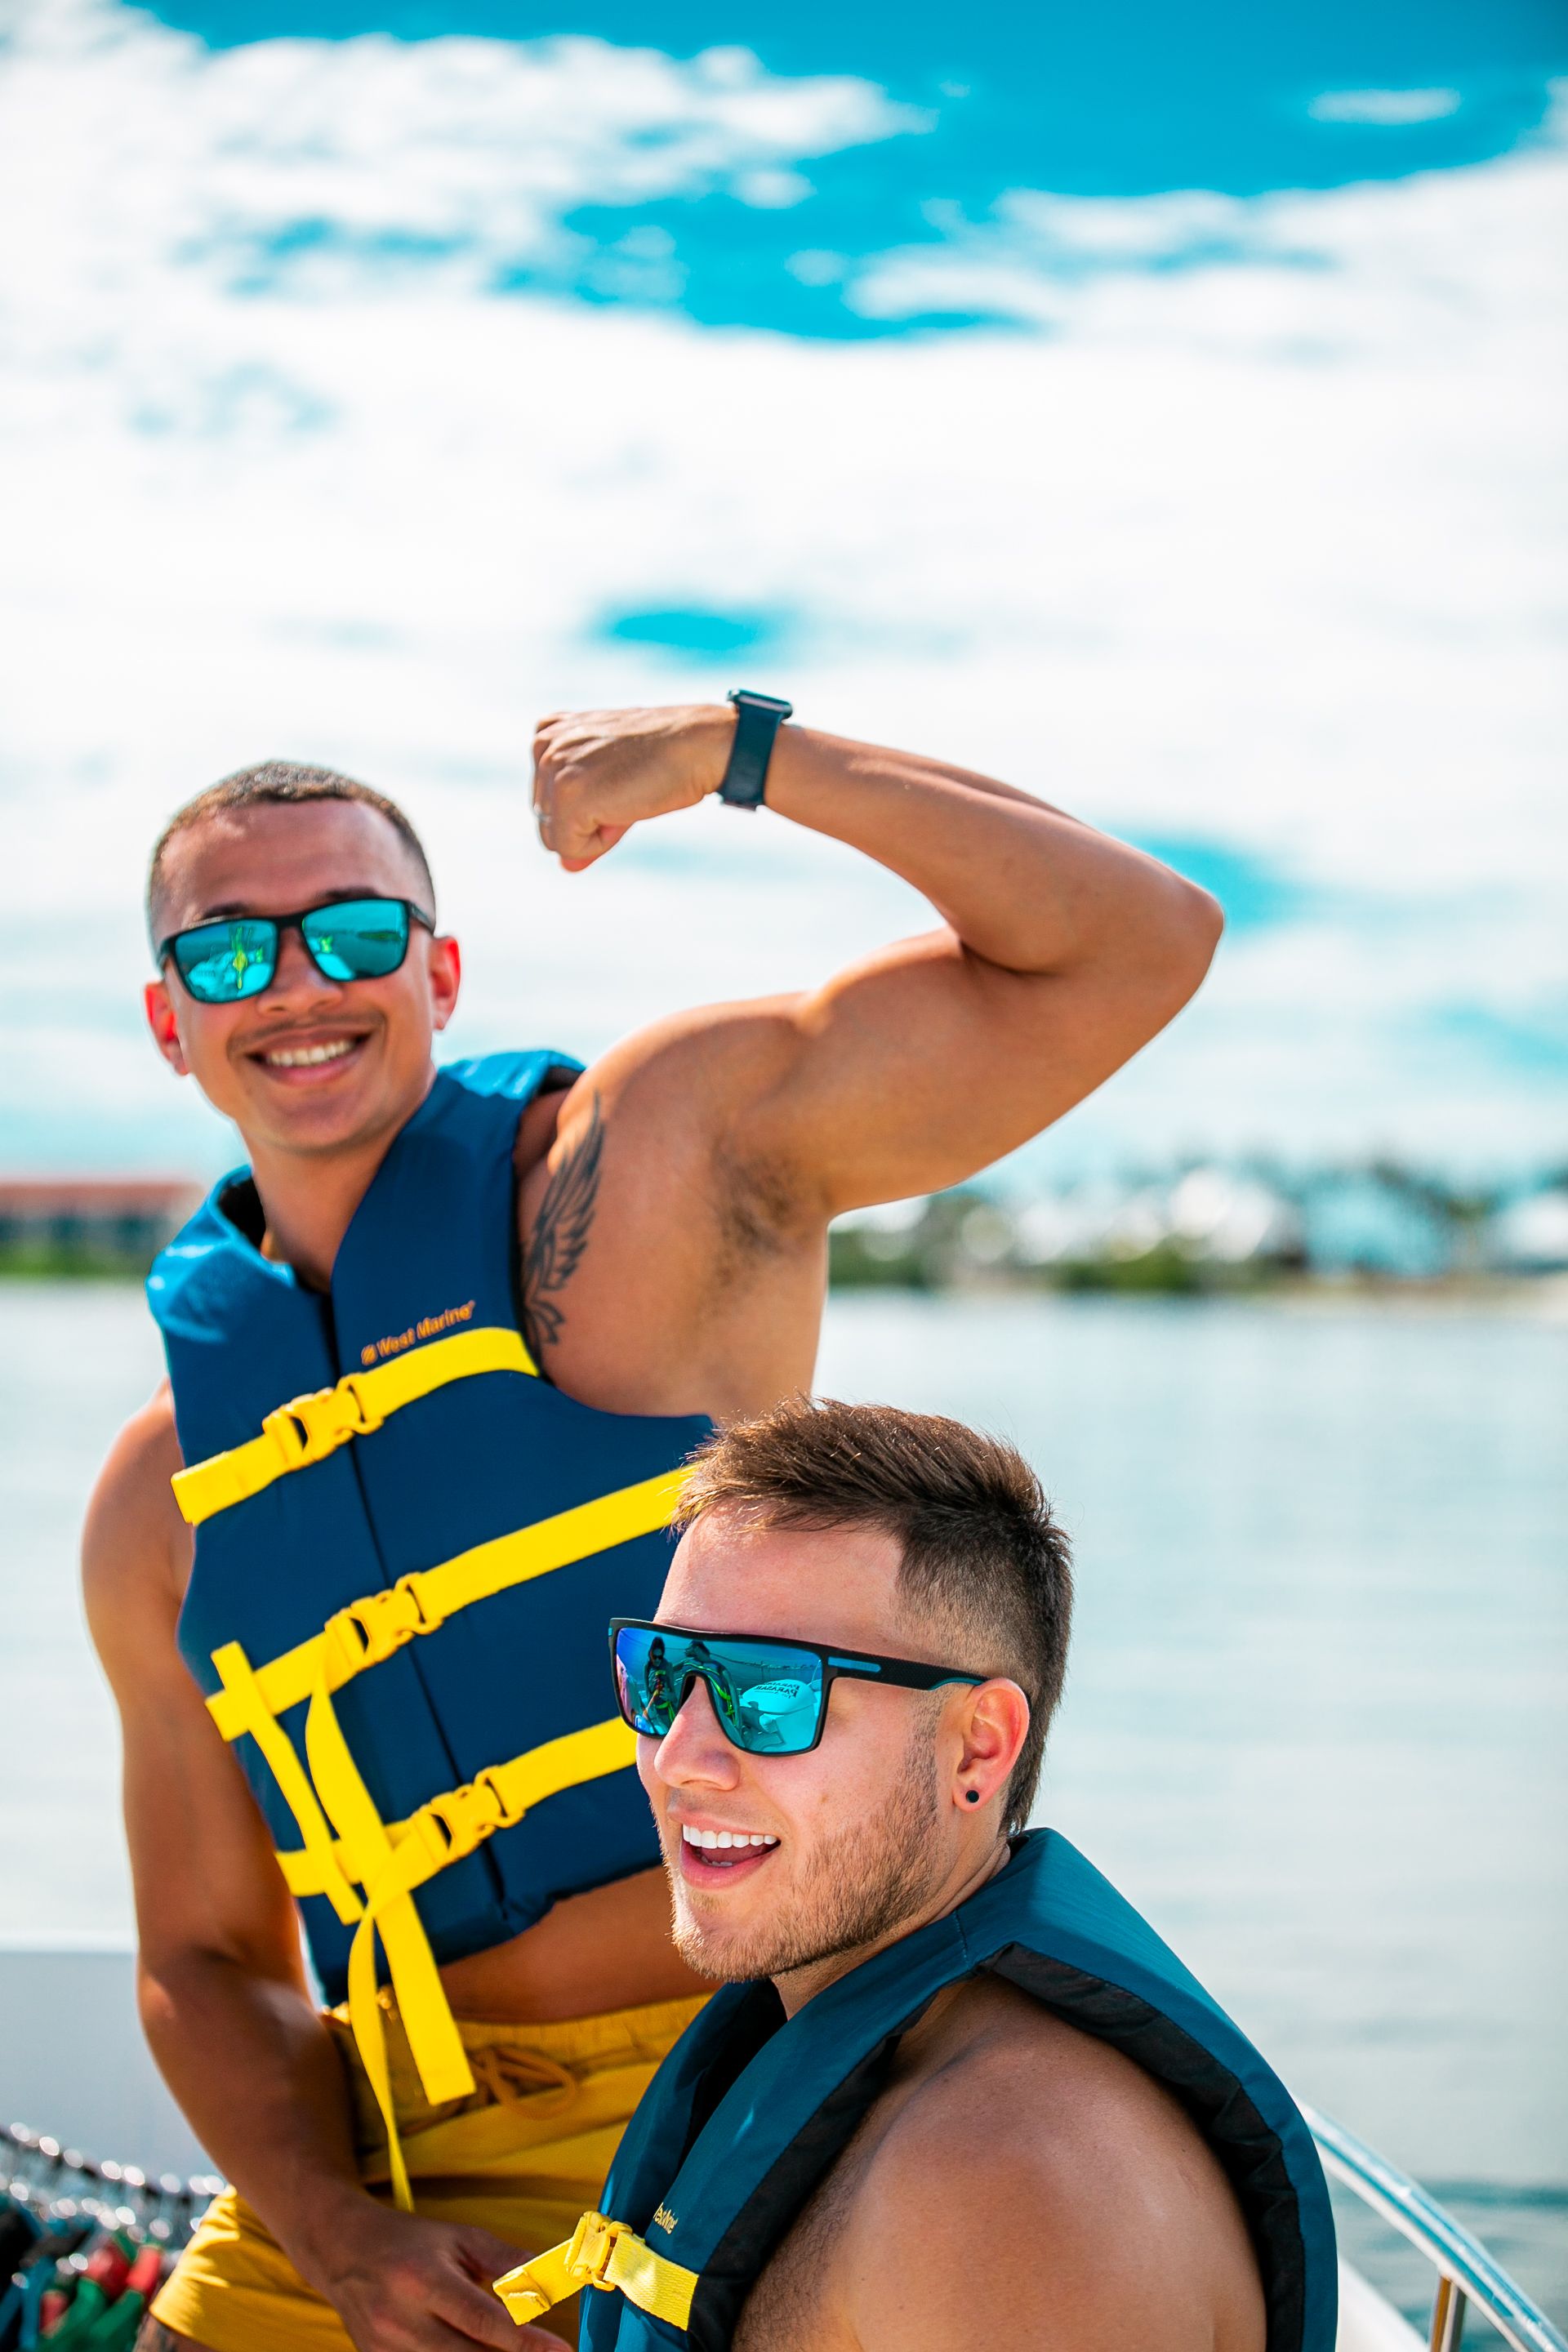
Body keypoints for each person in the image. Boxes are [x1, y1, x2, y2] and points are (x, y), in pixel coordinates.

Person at [82, 698, 1223, 2352]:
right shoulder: (155, 1506)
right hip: (388, 2157)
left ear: (440, 974)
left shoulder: (659, 1167)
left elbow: (1137, 945)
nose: (302, 987)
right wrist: (338, 2238)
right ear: (168, 1020)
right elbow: (203, 1951)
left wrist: (743, 753)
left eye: (352, 933)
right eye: (231, 956)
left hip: (753, 2074)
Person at [495, 1400, 1337, 2352]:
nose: (678, 1755)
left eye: (773, 1691)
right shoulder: (865, 2045)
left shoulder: (1014, 2187)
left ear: (977, 1750)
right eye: (662, 1673)